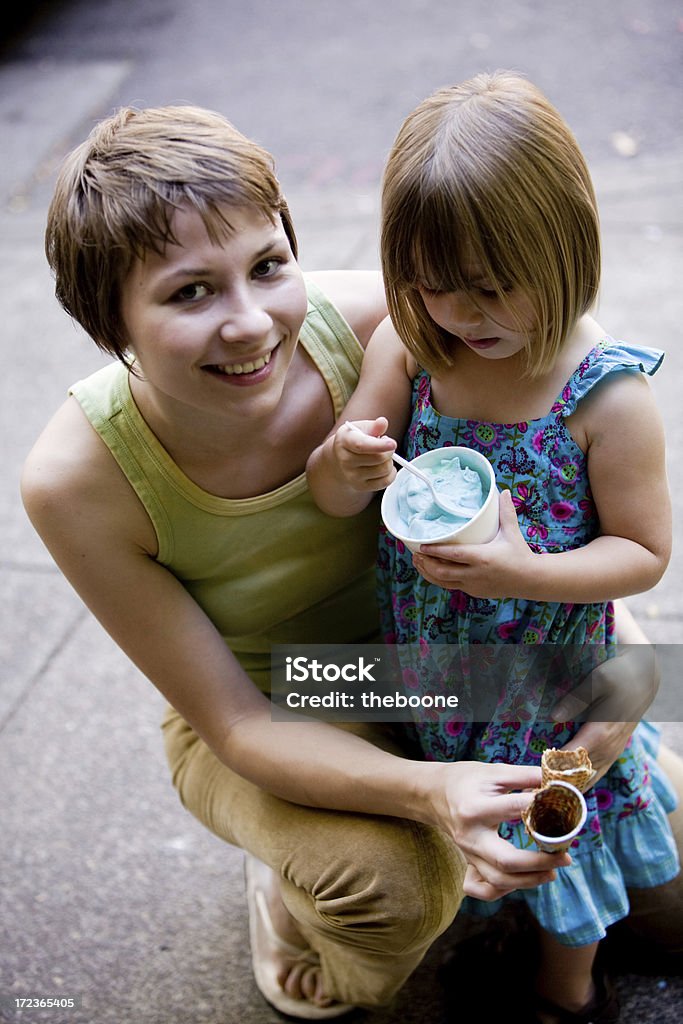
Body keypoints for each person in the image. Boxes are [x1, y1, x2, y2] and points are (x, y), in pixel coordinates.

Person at [306, 71, 683, 1023]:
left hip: (553, 671)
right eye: (432, 285)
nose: (460, 313)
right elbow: (330, 488)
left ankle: (567, 989)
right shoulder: (413, 345)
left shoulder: (605, 397)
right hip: (438, 652)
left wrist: (524, 571)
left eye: (488, 286)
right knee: (468, 804)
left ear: (561, 250)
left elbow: (642, 555)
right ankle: (486, 912)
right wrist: (346, 462)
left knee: (554, 827)